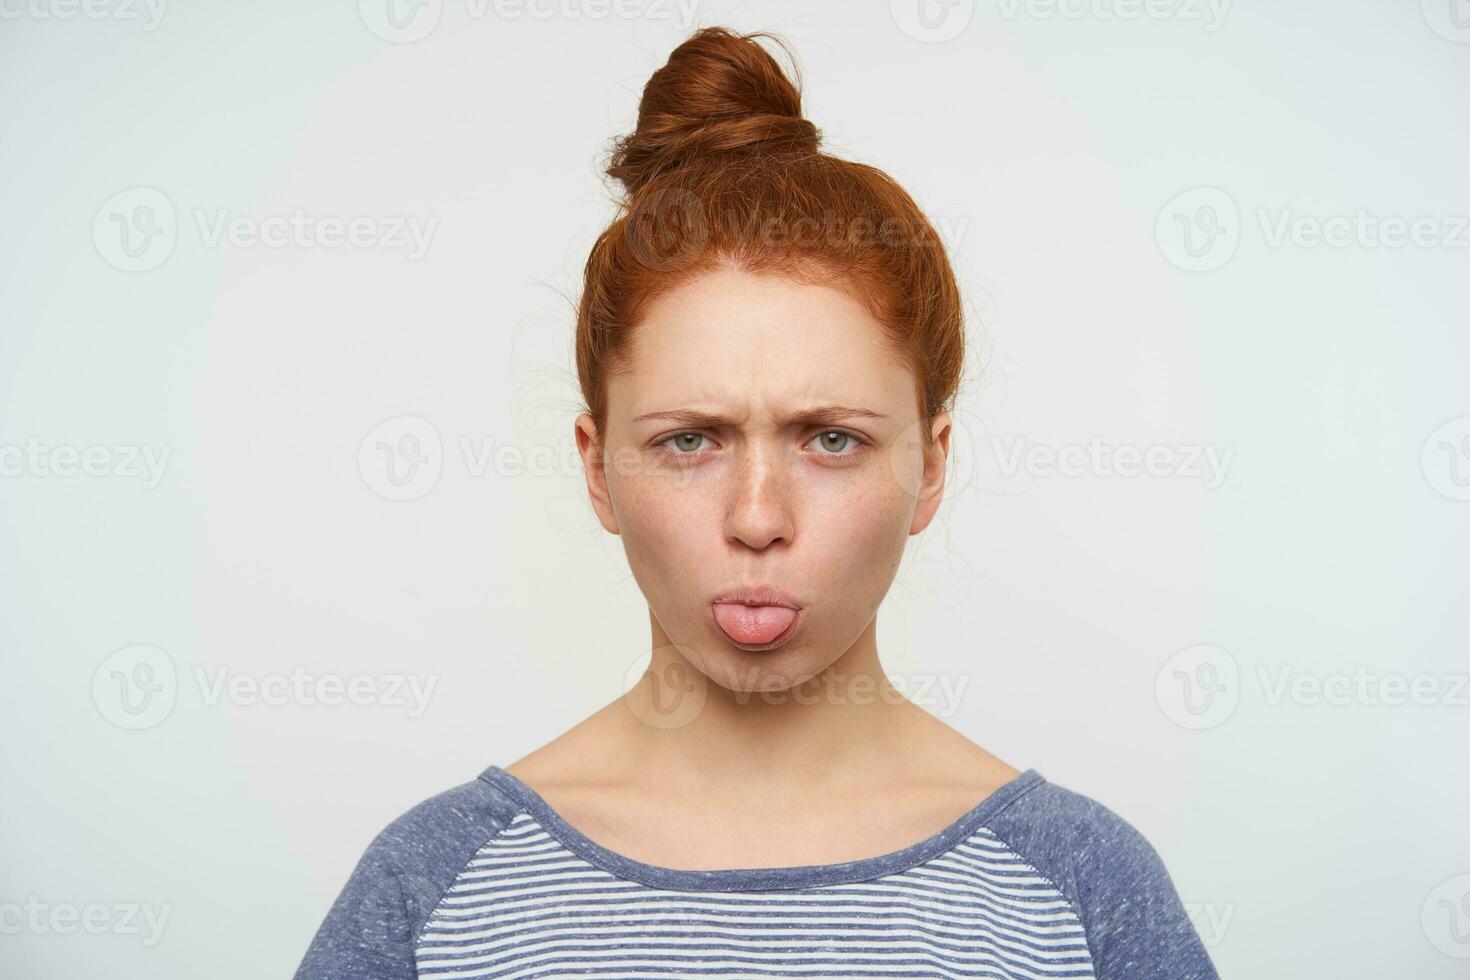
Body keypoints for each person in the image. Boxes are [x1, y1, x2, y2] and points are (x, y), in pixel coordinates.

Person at [294, 26, 1219, 979]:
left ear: (931, 467)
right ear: (597, 467)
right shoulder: (435, 891)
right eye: (688, 440)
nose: (757, 518)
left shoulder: (1081, 892)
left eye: (832, 439)